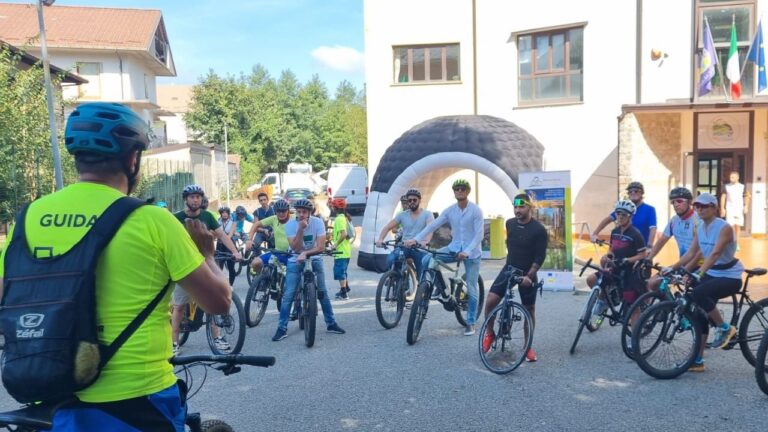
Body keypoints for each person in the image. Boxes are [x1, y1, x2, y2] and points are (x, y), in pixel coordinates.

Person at [0, 102, 231, 431]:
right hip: (138, 397)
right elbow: (218, 302)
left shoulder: (30, 215)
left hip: (50, 393)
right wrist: (207, 253)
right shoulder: (152, 220)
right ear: (133, 158)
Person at [664, 192, 744, 372]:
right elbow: (691, 253)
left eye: (704, 206)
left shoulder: (724, 227)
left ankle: (724, 328)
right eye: (697, 206)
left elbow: (715, 254)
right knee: (697, 310)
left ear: (714, 208)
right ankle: (698, 360)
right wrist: (673, 267)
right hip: (713, 273)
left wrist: (699, 273)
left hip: (730, 275)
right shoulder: (700, 227)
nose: (699, 209)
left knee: (699, 293)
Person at [405, 179, 484, 336]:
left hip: (472, 252)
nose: (459, 191)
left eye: (462, 189)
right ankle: (434, 287)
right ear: (454, 192)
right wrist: (416, 239)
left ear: (467, 191)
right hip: (454, 248)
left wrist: (467, 251)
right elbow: (433, 225)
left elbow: (479, 235)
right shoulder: (450, 210)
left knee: (472, 287)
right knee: (428, 258)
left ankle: (470, 322)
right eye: (457, 189)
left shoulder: (476, 210)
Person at [171, 184, 242, 354]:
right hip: (185, 267)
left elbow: (222, 236)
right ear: (185, 199)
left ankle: (217, 337)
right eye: (192, 197)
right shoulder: (176, 218)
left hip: (205, 264)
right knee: (179, 306)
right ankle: (174, 343)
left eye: (198, 197)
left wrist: (234, 251)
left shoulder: (208, 216)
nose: (195, 200)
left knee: (213, 302)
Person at [482, 193, 547, 362]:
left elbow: (540, 257)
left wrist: (529, 276)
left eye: (521, 206)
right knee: (490, 301)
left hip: (528, 273)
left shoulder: (539, 230)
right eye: (515, 207)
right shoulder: (509, 223)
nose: (517, 210)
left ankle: (528, 346)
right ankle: (490, 333)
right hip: (509, 269)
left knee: (529, 309)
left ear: (530, 207)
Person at [272, 198, 345, 341]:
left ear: (310, 212)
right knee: (289, 295)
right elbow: (296, 248)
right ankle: (282, 328)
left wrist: (306, 253)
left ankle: (331, 323)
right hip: (295, 258)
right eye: (298, 212)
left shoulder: (318, 223)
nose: (301, 214)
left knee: (323, 292)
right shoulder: (291, 225)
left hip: (315, 258)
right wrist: (300, 229)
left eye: (304, 212)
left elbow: (321, 247)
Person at [587, 200, 647, 320]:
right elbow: (611, 249)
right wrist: (608, 256)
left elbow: (642, 255)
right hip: (614, 268)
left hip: (629, 272)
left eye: (624, 214)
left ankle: (635, 337)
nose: (620, 216)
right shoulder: (614, 232)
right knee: (591, 280)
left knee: (632, 308)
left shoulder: (636, 234)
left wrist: (627, 260)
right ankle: (605, 300)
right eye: (618, 213)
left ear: (630, 216)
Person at [645, 187, 701, 291]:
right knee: (652, 283)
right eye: (673, 202)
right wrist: (648, 258)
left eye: (679, 201)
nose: (675, 204)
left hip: (700, 265)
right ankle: (668, 306)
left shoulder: (698, 220)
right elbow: (662, 240)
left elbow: (699, 251)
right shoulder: (674, 221)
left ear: (689, 202)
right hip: (683, 264)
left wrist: (684, 269)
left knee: (695, 299)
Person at [376, 188, 434, 280]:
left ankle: (421, 290)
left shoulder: (427, 214)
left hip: (419, 248)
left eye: (414, 200)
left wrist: (425, 242)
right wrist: (380, 239)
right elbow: (387, 227)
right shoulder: (402, 215)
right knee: (390, 259)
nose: (412, 202)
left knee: (422, 275)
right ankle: (400, 280)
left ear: (419, 200)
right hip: (405, 246)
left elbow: (430, 229)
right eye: (409, 200)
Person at [591, 181, 657, 250]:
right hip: (623, 246)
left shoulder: (649, 209)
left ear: (642, 193)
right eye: (630, 192)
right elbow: (608, 219)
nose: (633, 193)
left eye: (636, 191)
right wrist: (595, 234)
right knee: (605, 259)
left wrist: (649, 245)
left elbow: (653, 228)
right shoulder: (625, 207)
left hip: (640, 249)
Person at [720, 170, 750, 250]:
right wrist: (722, 208)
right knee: (730, 226)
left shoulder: (742, 186)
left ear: (737, 178)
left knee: (737, 226)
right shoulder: (726, 186)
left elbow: (746, 196)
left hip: (739, 209)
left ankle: (737, 243)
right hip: (730, 209)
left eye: (732, 177)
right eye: (730, 177)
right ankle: (731, 243)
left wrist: (746, 206)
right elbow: (723, 197)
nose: (731, 178)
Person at [330, 198, 352, 300]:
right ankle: (346, 288)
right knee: (343, 271)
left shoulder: (339, 219)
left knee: (340, 272)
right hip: (346, 250)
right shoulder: (344, 217)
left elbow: (344, 234)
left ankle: (344, 293)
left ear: (335, 208)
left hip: (341, 251)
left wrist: (335, 245)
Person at [216, 206, 238, 286]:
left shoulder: (233, 222)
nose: (224, 214)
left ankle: (230, 285)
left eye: (226, 213)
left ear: (228, 214)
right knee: (218, 267)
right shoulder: (217, 221)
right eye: (223, 213)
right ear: (220, 214)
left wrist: (224, 239)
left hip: (230, 244)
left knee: (231, 266)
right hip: (220, 245)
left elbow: (230, 234)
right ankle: (220, 285)